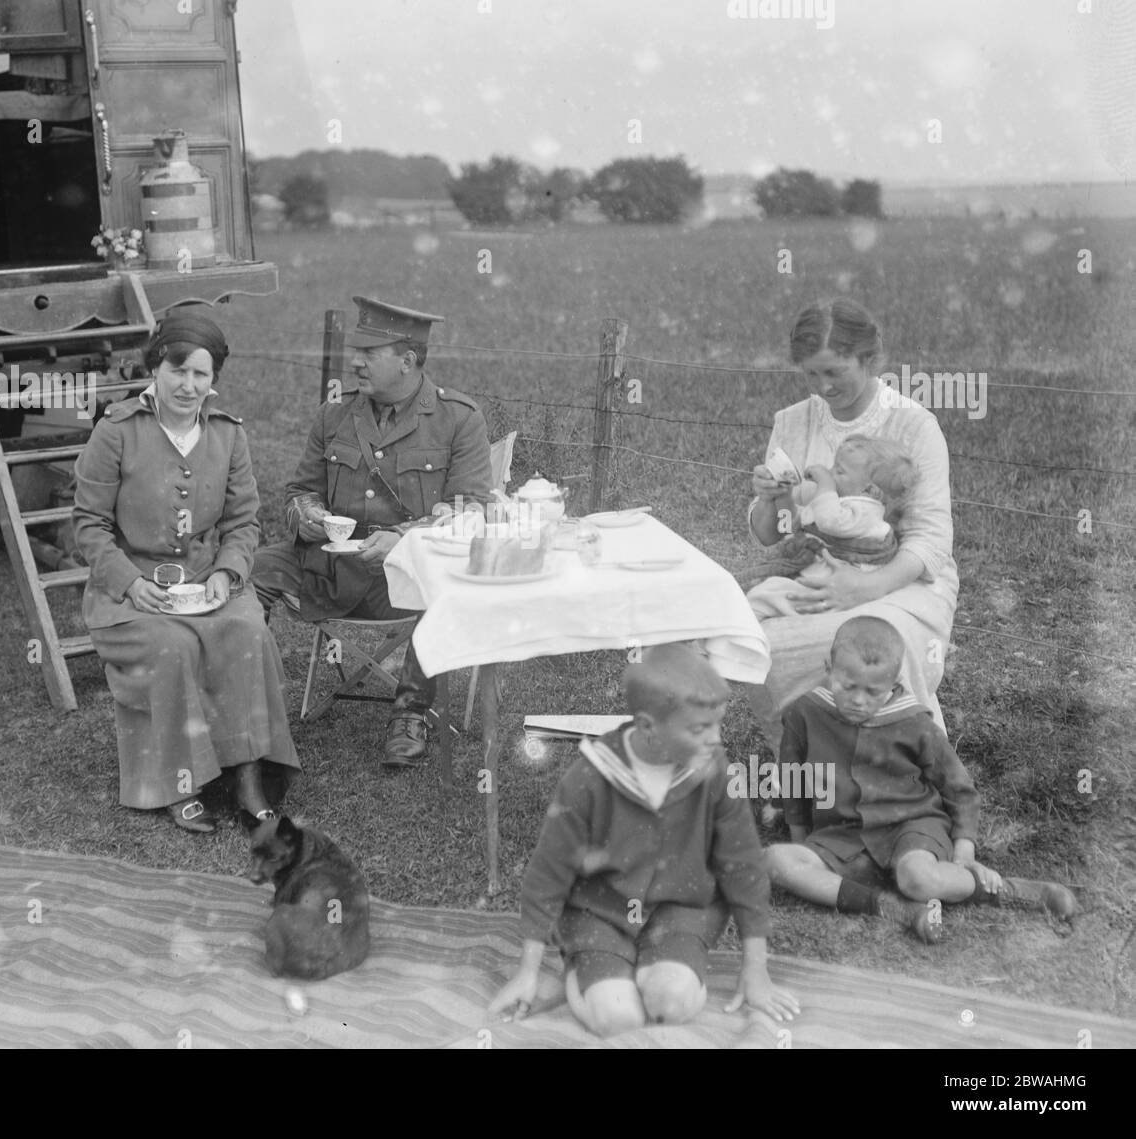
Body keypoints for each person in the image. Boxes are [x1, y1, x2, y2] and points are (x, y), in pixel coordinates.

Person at [488, 644, 800, 1037]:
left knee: (673, 1003)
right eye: (700, 729)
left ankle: (631, 973)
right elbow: (547, 874)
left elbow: (745, 867)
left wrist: (755, 969)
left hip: (680, 911)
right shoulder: (588, 779)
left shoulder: (715, 770)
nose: (715, 740)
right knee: (619, 1019)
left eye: (717, 725)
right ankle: (580, 972)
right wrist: (527, 972)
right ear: (650, 727)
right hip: (598, 915)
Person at [73, 311, 300, 833]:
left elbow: (244, 522)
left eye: (201, 374)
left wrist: (227, 573)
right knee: (171, 648)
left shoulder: (227, 436)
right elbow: (88, 524)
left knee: (246, 630)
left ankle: (246, 775)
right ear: (156, 367)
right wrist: (130, 581)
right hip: (129, 593)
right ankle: (180, 783)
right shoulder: (117, 432)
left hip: (205, 583)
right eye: (177, 370)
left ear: (213, 379)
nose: (187, 385)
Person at [252, 297, 492, 767]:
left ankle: (410, 712)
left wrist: (405, 537)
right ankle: (247, 704)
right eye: (355, 350)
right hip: (328, 566)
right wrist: (312, 516)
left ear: (407, 361)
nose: (355, 361)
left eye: (369, 352)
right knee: (252, 569)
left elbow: (471, 509)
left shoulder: (458, 419)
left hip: (403, 583)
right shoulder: (334, 415)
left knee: (446, 584)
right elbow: (299, 491)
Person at [765, 618, 1078, 941]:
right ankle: (896, 908)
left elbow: (960, 790)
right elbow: (793, 780)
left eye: (873, 692)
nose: (858, 700)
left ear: (894, 682)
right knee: (776, 860)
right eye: (847, 686)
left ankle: (1015, 892)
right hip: (841, 836)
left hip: (911, 827)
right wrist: (801, 842)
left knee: (918, 878)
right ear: (829, 667)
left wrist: (964, 856)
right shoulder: (806, 712)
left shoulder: (914, 723)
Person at [745, 298, 959, 754]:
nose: (823, 387)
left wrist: (868, 588)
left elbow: (931, 540)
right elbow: (772, 534)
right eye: (811, 374)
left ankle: (905, 769)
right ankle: (809, 764)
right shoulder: (793, 422)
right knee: (755, 640)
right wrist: (773, 499)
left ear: (869, 358)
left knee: (876, 643)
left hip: (901, 578)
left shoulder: (915, 425)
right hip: (814, 572)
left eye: (835, 372)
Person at [746, 434, 918, 619]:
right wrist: (784, 498)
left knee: (762, 596)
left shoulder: (866, 512)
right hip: (812, 579)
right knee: (765, 589)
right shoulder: (836, 505)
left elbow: (828, 521)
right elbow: (788, 529)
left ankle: (745, 622)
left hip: (829, 588)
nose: (830, 472)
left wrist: (825, 482)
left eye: (839, 471)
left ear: (869, 491)